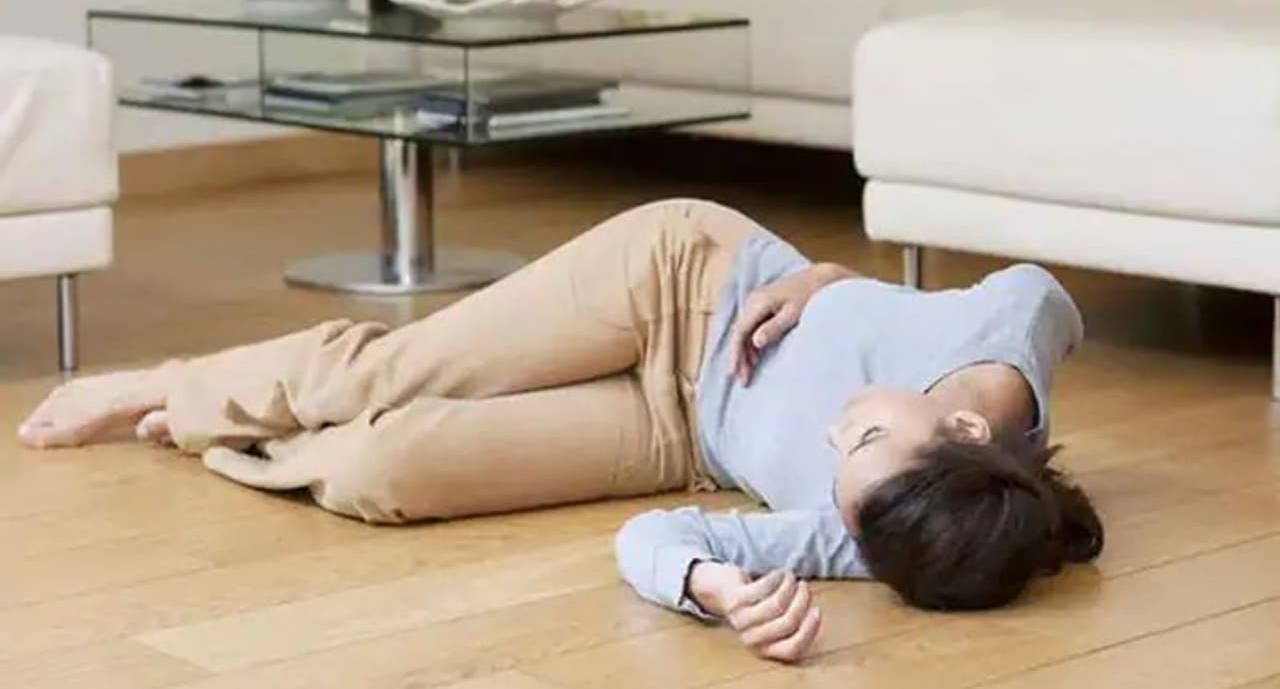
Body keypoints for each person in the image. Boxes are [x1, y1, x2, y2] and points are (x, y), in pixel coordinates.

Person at [16, 199, 1102, 663]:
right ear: (966, 423)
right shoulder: (1004, 336)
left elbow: (660, 536)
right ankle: (172, 384)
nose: (832, 437)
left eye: (843, 467)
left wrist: (715, 589)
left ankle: (226, 426)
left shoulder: (881, 527)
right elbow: (1038, 282)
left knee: (385, 469)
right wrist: (826, 276)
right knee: (388, 370)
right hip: (681, 282)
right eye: (862, 434)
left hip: (680, 429)